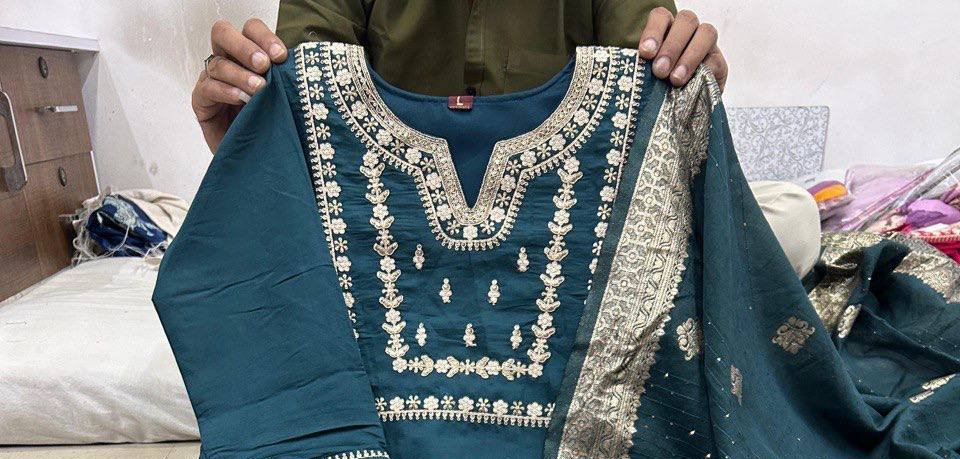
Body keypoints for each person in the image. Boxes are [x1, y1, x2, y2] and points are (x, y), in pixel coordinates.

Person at [191, 2, 822, 275]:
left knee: (792, 219)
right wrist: (243, 142)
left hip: (569, 236)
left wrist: (688, 90)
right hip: (391, 239)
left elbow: (648, 105)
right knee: (227, 262)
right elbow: (311, 130)